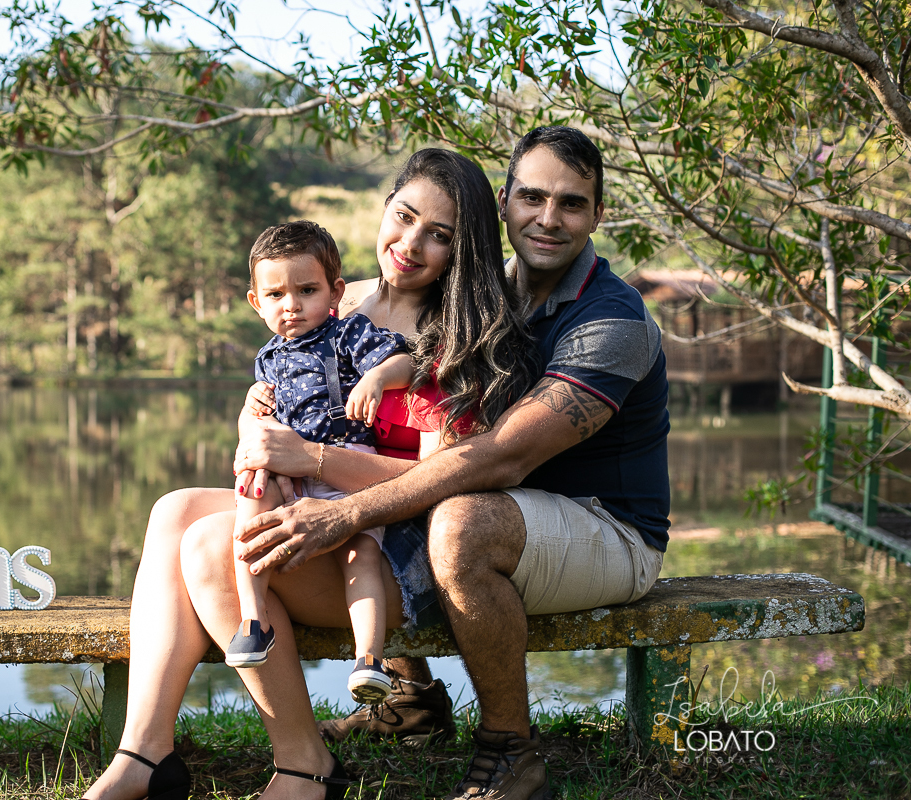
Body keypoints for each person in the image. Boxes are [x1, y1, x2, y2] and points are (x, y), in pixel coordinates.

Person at [80, 148, 537, 800]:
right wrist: (255, 428)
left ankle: (304, 767)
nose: (410, 244)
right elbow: (284, 405)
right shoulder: (338, 304)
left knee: (215, 546)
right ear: (384, 209)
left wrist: (312, 459)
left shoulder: (453, 340)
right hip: (329, 509)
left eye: (439, 235)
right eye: (404, 217)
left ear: (464, 250)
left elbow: (440, 481)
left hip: (401, 548)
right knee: (174, 509)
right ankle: (144, 752)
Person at [237, 126, 670, 800]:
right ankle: (410, 697)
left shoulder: (611, 321)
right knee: (422, 495)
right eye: (532, 197)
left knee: (460, 518)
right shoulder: (481, 297)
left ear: (597, 215)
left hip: (607, 527)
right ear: (503, 204)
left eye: (572, 204)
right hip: (514, 514)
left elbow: (501, 456)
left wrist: (345, 509)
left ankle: (509, 750)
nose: (548, 218)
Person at [225, 220, 415, 709]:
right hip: (289, 475)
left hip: (348, 467)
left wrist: (376, 379)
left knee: (362, 554)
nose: (291, 305)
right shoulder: (267, 358)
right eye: (276, 295)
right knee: (252, 504)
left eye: (306, 291)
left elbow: (407, 362)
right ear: (256, 302)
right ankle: (253, 620)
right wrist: (251, 419)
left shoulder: (346, 332)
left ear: (335, 292)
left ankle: (369, 660)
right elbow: (262, 419)